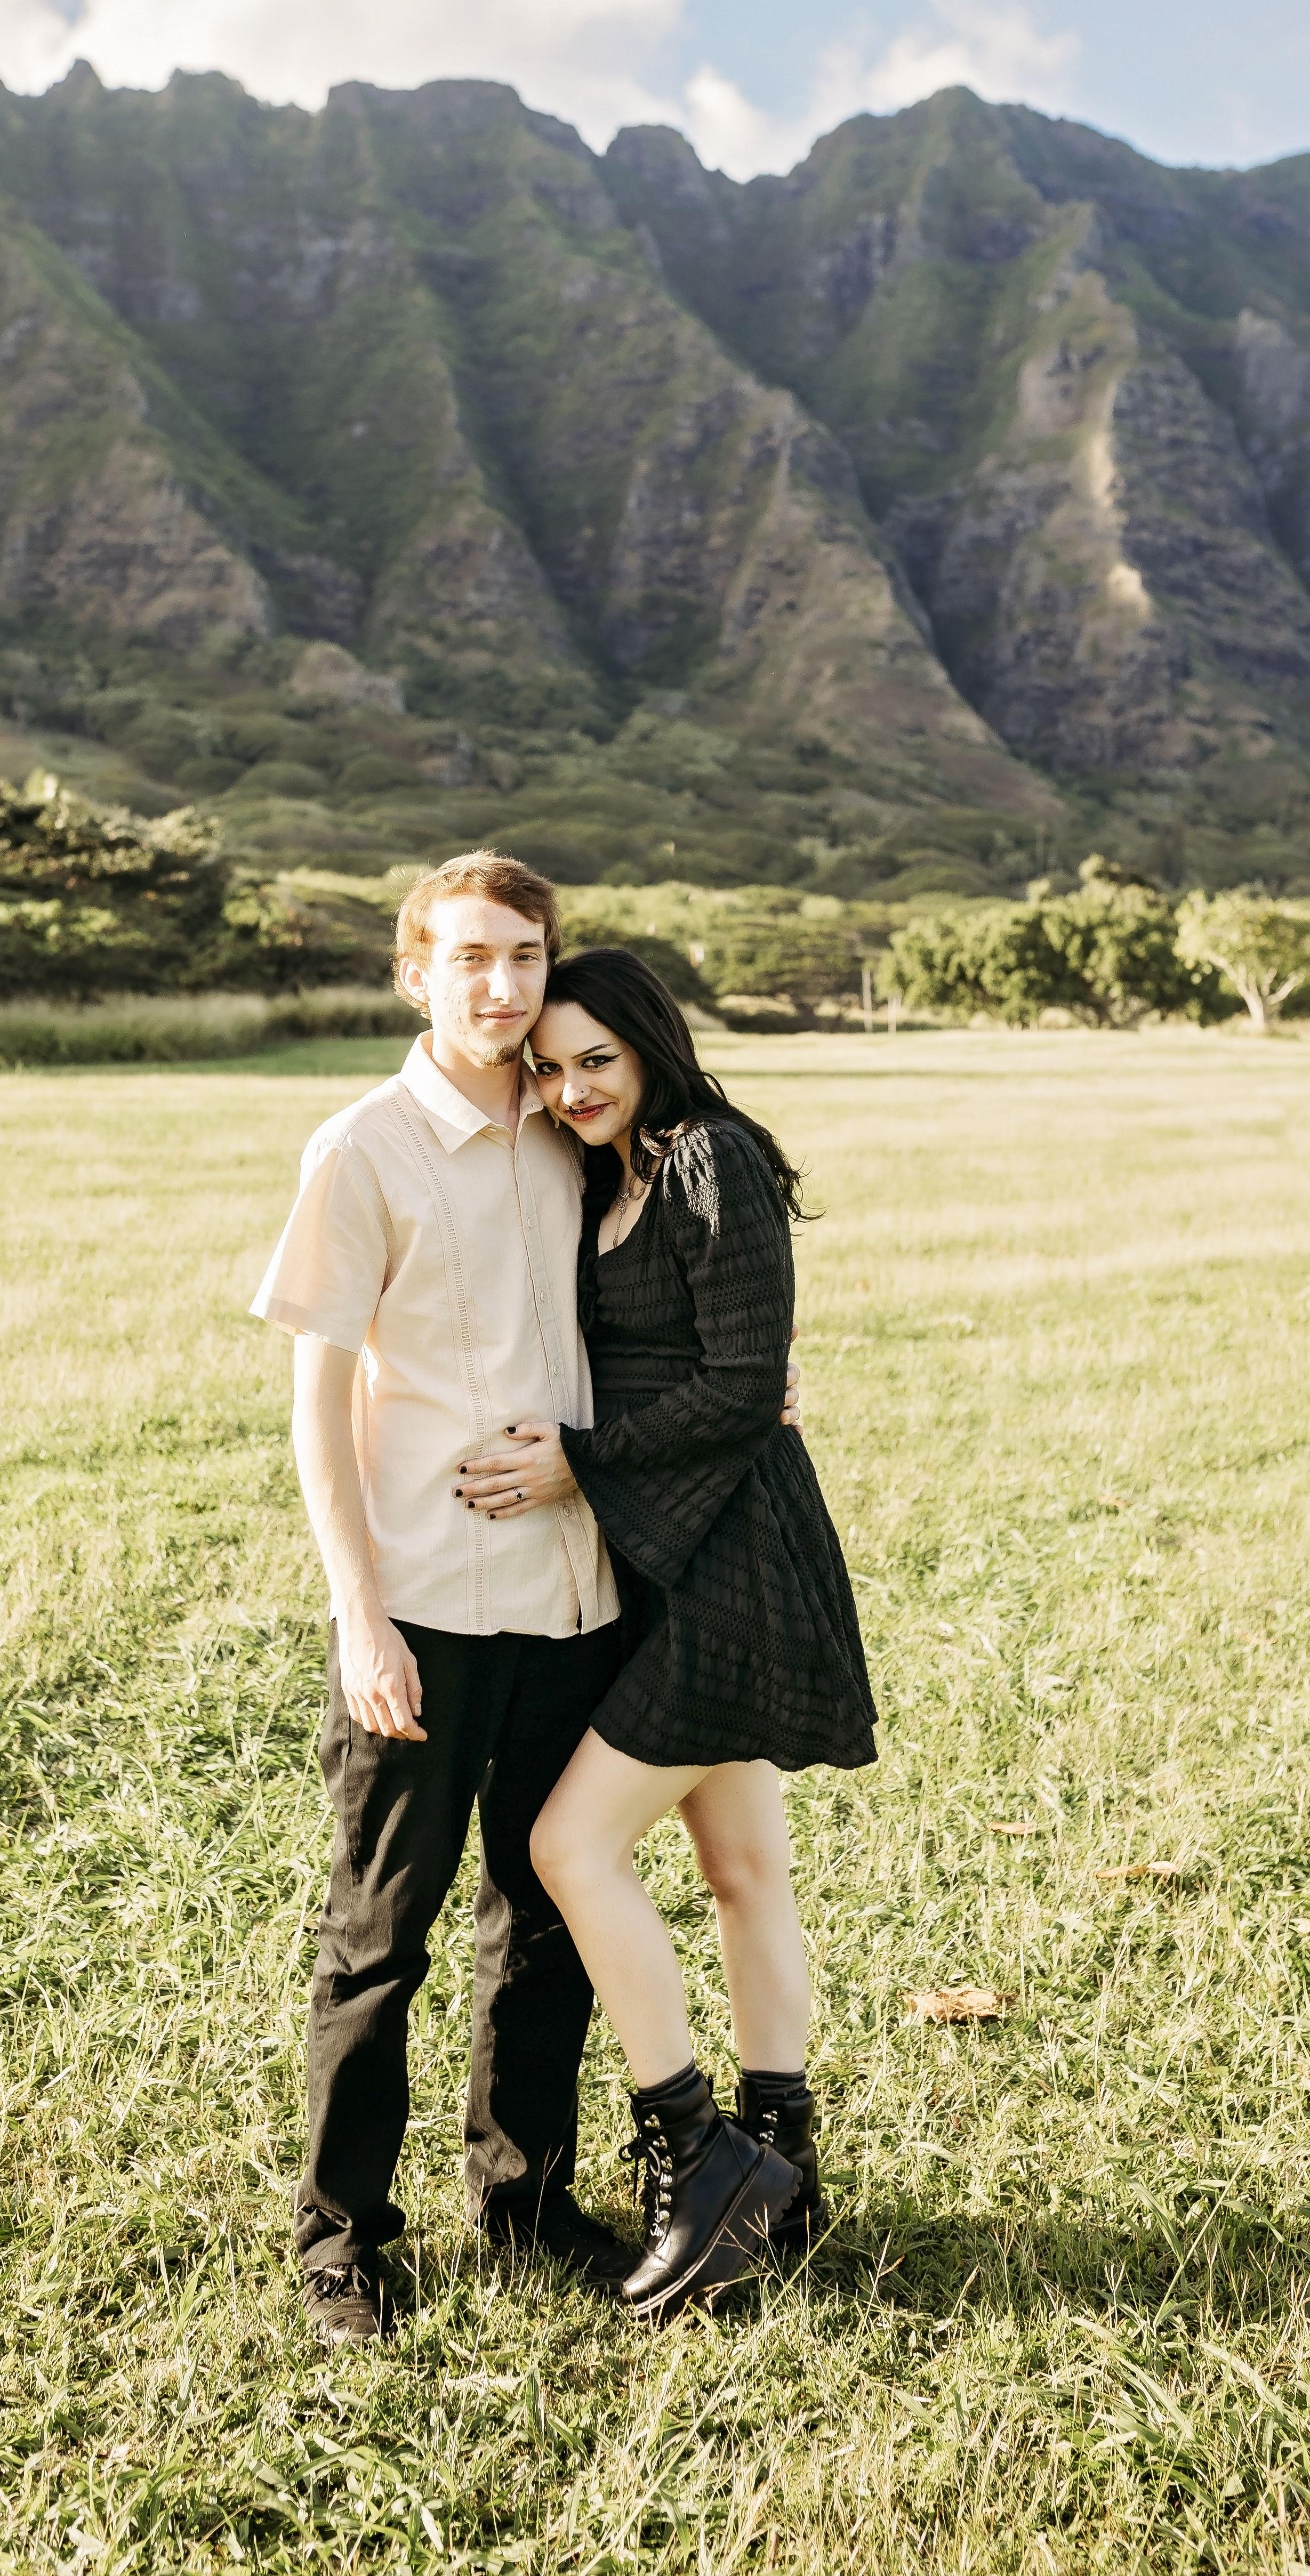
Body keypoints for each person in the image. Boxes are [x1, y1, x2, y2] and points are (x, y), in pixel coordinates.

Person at [247, 852, 644, 2347]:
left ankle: (526, 2201)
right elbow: (316, 1403)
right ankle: (340, 2238)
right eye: (471, 957)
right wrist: (360, 1617)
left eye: (525, 956)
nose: (503, 985)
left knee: (544, 1914)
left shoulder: (578, 1127)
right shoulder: (362, 1148)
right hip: (420, 1604)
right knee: (381, 1935)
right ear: (415, 973)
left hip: (573, 1594)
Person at [458, 946, 879, 2324]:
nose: (573, 1087)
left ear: (652, 1048)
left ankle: (698, 2156)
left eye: (599, 1059)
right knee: (742, 1868)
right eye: (551, 1067)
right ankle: (785, 2168)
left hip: (734, 1563)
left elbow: (747, 1385)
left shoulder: (710, 1159)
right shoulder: (608, 1171)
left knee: (569, 1846)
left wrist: (577, 1462)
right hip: (669, 1553)